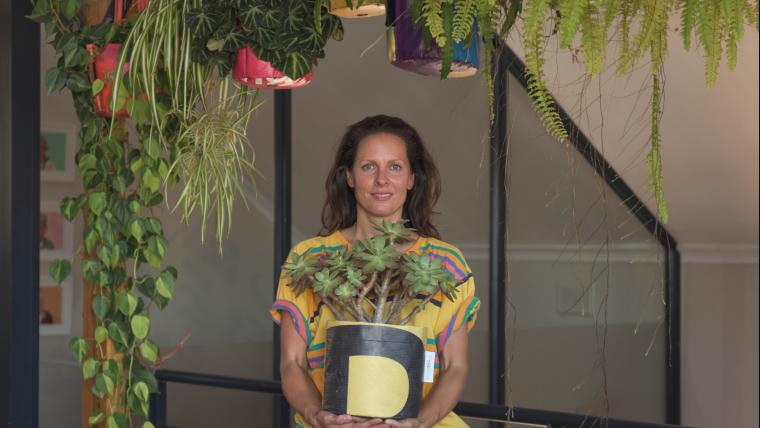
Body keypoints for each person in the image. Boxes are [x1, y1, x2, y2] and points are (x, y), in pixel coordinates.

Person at [270, 115, 480, 428]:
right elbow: (292, 362)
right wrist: (317, 415)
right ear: (350, 177)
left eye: (394, 166)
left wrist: (420, 422)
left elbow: (456, 367)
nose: (382, 179)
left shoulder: (444, 262)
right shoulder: (312, 258)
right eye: (369, 166)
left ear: (411, 178)